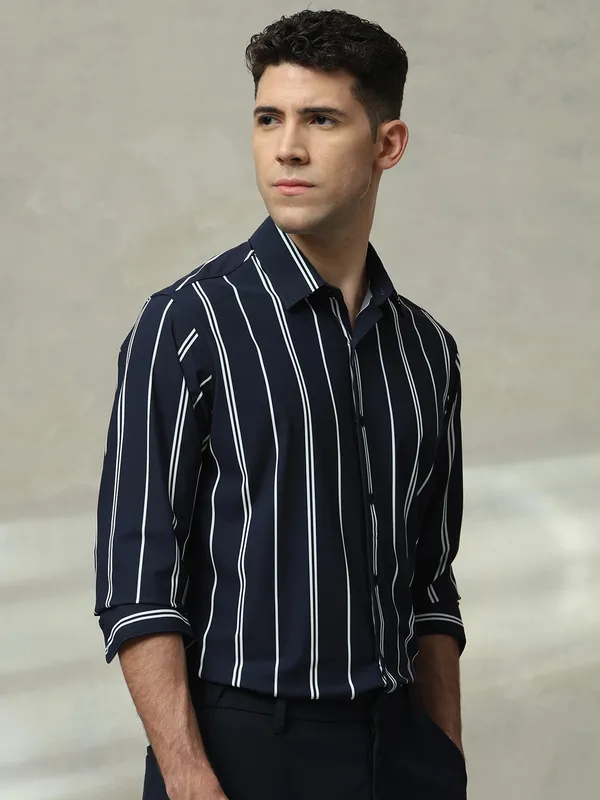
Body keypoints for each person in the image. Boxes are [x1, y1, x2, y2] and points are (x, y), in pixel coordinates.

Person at [94, 8, 467, 799]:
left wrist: (444, 754)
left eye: (321, 120)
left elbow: (431, 583)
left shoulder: (427, 351)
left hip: (400, 748)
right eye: (269, 119)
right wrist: (189, 778)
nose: (287, 147)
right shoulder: (188, 325)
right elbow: (137, 587)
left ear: (387, 144)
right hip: (243, 750)